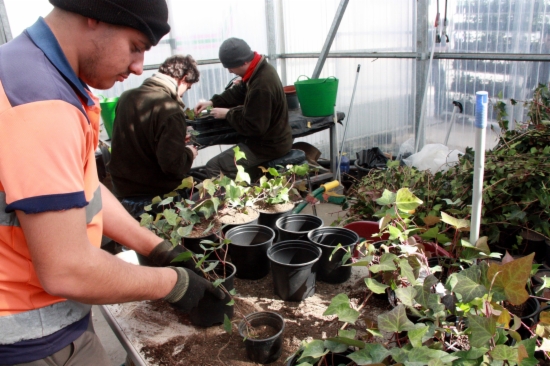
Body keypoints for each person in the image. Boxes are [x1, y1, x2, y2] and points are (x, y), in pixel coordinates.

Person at [0, 1, 223, 365]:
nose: (138, 68)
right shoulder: (41, 102)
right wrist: (174, 284)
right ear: (95, 14)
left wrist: (156, 248)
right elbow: (67, 268)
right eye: (135, 47)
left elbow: (85, 190)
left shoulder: (35, 74)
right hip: (29, 341)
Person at [109, 54, 200, 218]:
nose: (185, 94)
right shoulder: (170, 108)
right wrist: (189, 153)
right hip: (154, 198)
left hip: (123, 193)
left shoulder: (126, 97)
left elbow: (138, 140)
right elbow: (173, 167)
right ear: (183, 78)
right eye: (188, 87)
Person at [194, 37, 293, 178]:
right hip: (269, 140)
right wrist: (213, 102)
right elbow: (240, 92)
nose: (229, 71)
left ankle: (226, 199)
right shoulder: (258, 70)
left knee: (215, 166)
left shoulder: (261, 84)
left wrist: (228, 114)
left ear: (244, 62)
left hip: (268, 146)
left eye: (230, 67)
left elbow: (255, 127)